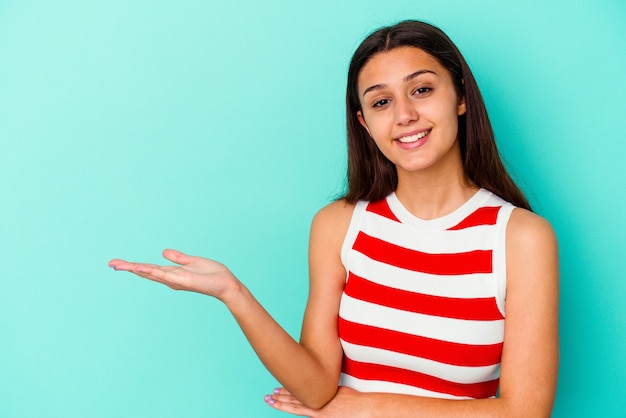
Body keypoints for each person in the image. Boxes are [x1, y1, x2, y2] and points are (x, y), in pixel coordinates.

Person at [109, 20, 559, 417]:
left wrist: (365, 408)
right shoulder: (340, 225)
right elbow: (318, 387)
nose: (405, 115)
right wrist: (234, 294)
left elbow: (525, 411)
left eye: (422, 89)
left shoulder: (520, 238)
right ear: (364, 123)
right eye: (381, 102)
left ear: (461, 97)